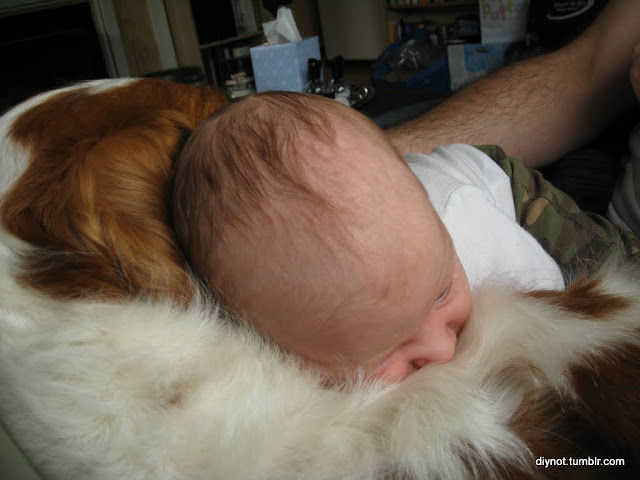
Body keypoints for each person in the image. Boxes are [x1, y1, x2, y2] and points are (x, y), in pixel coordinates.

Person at [173, 0, 640, 383]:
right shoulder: (284, 323)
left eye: (442, 295)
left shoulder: (478, 239)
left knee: (613, 269)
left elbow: (560, 314)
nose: (441, 347)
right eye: (387, 350)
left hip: (494, 184)